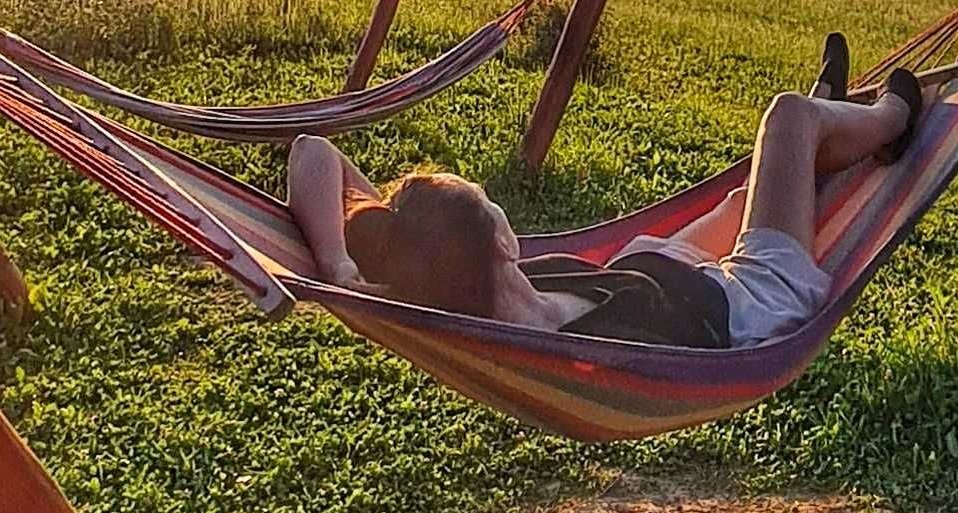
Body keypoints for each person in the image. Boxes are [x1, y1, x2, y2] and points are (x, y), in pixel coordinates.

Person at [281, 34, 924, 348]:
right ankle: (891, 120)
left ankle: (827, 119)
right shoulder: (532, 328)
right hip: (750, 298)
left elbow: (314, 151)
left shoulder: (443, 285)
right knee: (786, 118)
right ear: (504, 240)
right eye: (486, 196)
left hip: (665, 271)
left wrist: (340, 267)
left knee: (746, 194)